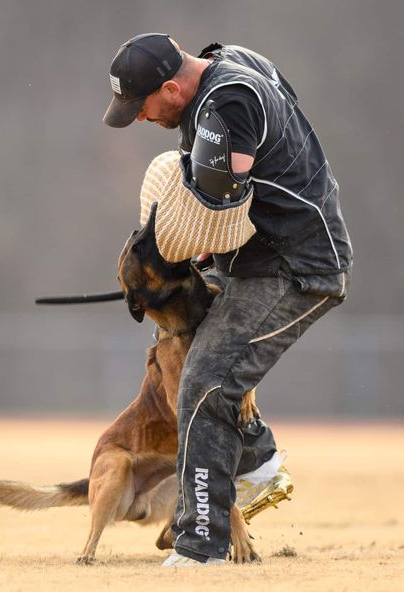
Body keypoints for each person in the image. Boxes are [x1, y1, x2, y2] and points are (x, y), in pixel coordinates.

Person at [103, 33, 352, 567]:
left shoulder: (230, 100)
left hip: (299, 265)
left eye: (141, 107)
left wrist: (176, 253)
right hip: (258, 261)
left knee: (206, 379)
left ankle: (201, 544)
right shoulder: (225, 68)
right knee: (187, 356)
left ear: (171, 88)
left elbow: (219, 207)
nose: (140, 119)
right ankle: (259, 467)